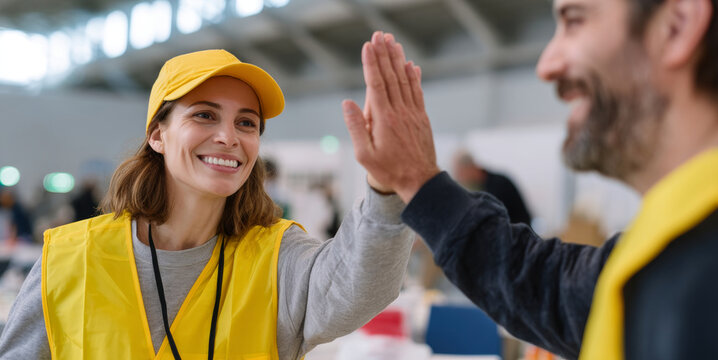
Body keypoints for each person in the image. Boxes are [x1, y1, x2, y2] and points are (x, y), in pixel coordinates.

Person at [341, 1, 718, 358]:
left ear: (677, 26)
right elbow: (553, 287)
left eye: (574, 19)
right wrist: (418, 182)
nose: (546, 64)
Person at [0, 49, 415, 359]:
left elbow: (359, 285)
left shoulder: (277, 258)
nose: (229, 137)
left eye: (246, 123)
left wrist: (386, 186)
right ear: (157, 135)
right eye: (204, 115)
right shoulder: (70, 258)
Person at [452, 150, 532, 226]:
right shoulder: (478, 186)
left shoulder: (499, 185)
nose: (459, 178)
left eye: (460, 173)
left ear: (469, 168)